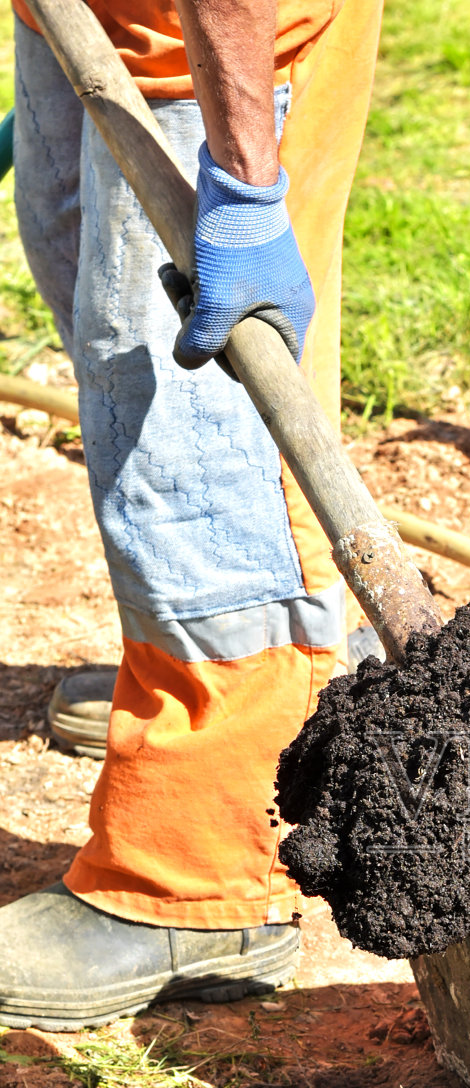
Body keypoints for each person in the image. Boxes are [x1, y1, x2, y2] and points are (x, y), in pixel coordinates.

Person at [0, 0, 383, 1028]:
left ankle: (203, 866)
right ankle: (177, 678)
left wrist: (246, 178)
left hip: (215, 46)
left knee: (191, 428)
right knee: (111, 346)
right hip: (85, 20)